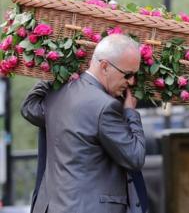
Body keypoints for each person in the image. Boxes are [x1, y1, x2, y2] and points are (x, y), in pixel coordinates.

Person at [20, 34, 147, 213]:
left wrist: (53, 73)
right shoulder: (106, 106)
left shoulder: (59, 94)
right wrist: (130, 113)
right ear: (104, 66)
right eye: (128, 75)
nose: (132, 82)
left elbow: (28, 107)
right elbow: (135, 157)